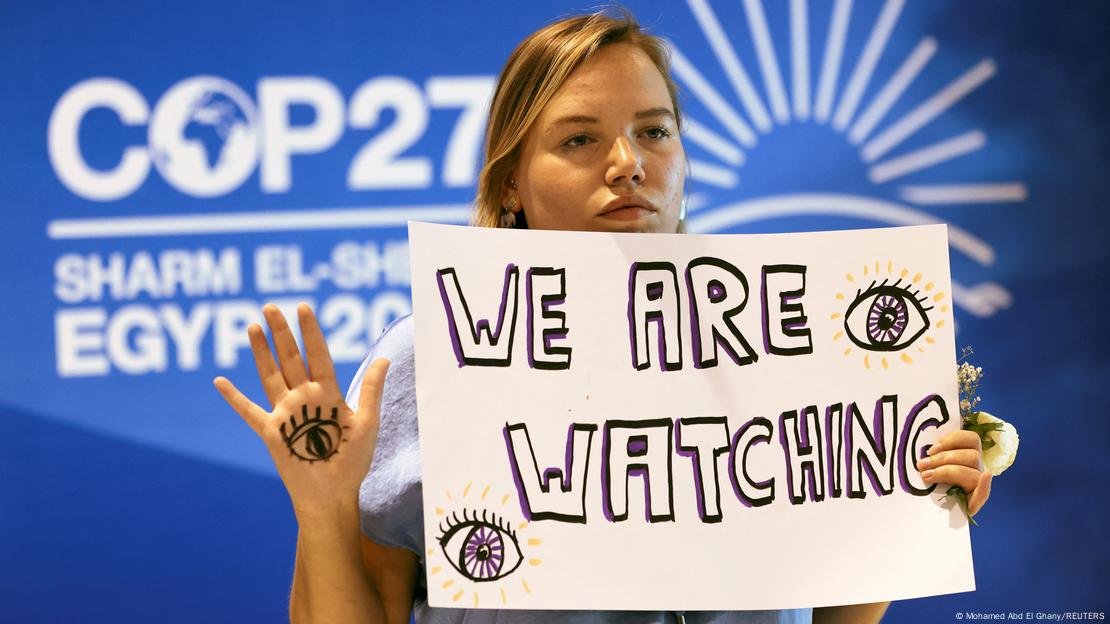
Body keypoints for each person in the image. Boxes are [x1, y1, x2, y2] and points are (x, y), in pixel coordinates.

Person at [213, 10, 993, 624]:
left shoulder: (793, 340)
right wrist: (324, 511)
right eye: (581, 139)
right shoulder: (433, 357)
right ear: (511, 183)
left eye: (654, 131)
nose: (628, 164)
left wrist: (903, 507)